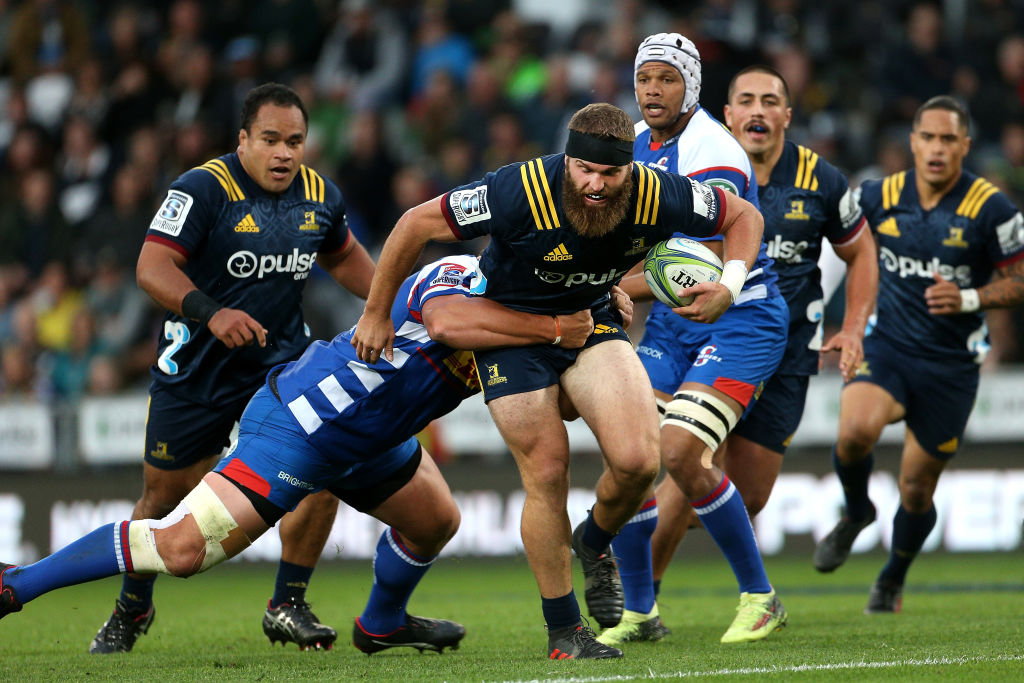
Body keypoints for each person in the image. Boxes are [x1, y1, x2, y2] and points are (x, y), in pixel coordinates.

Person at [0, 255, 603, 655]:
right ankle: (16, 584)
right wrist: (557, 331)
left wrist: (596, 328)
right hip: (302, 423)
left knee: (437, 521)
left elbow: (567, 406)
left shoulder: (532, 318)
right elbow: (444, 323)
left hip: (373, 440)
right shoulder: (461, 275)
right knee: (182, 549)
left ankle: (382, 624)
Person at [350, 102, 765, 659]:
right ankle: (565, 632)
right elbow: (415, 223)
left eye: (610, 174)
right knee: (546, 469)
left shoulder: (657, 191)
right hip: (511, 331)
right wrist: (376, 312)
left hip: (590, 321)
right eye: (584, 170)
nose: (595, 184)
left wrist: (731, 284)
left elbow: (744, 216)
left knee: (641, 461)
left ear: (630, 169)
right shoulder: (519, 188)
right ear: (567, 160)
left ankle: (593, 541)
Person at [88, 83, 377, 654]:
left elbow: (343, 256)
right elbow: (151, 266)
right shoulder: (202, 189)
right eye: (270, 139)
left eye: (295, 141)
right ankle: (131, 607)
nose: (284, 153)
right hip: (197, 371)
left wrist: (391, 302)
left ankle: (287, 603)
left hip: (281, 364)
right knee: (163, 501)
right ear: (242, 140)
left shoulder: (320, 195)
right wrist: (212, 313)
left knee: (322, 462)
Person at [591, 34, 790, 647]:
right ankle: (641, 612)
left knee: (678, 451)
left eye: (667, 79)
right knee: (629, 458)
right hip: (673, 325)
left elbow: (695, 260)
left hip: (740, 316)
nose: (653, 89)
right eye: (645, 78)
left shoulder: (711, 148)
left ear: (692, 87)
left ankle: (762, 598)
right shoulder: (634, 145)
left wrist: (600, 287)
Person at [812, 95, 1024, 612]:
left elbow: (1019, 277)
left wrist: (970, 297)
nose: (936, 148)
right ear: (912, 142)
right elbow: (837, 248)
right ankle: (857, 511)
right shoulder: (878, 196)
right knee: (855, 431)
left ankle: (892, 576)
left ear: (964, 145)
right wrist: (822, 317)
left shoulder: (990, 207)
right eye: (927, 137)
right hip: (887, 346)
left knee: (915, 488)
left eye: (948, 139)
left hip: (951, 366)